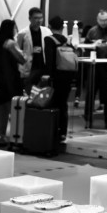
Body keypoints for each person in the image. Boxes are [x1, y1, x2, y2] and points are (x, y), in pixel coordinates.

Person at [0, 19, 25, 147]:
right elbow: (22, 59)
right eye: (14, 28)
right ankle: (15, 137)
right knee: (13, 110)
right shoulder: (10, 43)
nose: (16, 30)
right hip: (9, 81)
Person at [45, 15, 76, 143]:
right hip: (67, 76)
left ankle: (52, 130)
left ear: (50, 26)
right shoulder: (66, 40)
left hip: (55, 77)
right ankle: (63, 132)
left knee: (53, 103)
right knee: (63, 104)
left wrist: (48, 76)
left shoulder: (49, 39)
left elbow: (49, 60)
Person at [84, 9, 107, 129]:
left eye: (106, 20)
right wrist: (93, 45)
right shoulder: (92, 31)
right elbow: (86, 47)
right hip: (94, 66)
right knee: (90, 94)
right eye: (101, 20)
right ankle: (88, 120)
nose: (104, 22)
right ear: (97, 20)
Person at [16, 7, 52, 93]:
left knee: (43, 93)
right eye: (36, 18)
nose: (39, 20)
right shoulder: (23, 33)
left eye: (41, 18)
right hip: (30, 67)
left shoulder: (47, 31)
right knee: (28, 91)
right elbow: (18, 50)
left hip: (44, 66)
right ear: (30, 18)